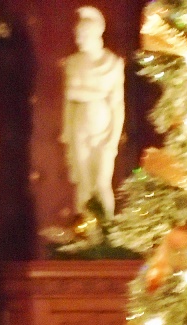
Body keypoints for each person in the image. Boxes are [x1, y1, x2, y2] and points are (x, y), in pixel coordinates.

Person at [61, 6, 125, 220]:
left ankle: (107, 229)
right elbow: (70, 98)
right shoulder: (73, 63)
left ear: (96, 35)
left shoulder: (113, 64)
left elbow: (117, 105)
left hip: (104, 132)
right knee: (84, 184)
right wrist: (67, 132)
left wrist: (113, 139)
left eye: (83, 35)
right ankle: (87, 231)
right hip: (80, 130)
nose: (78, 40)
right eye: (77, 35)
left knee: (102, 183)